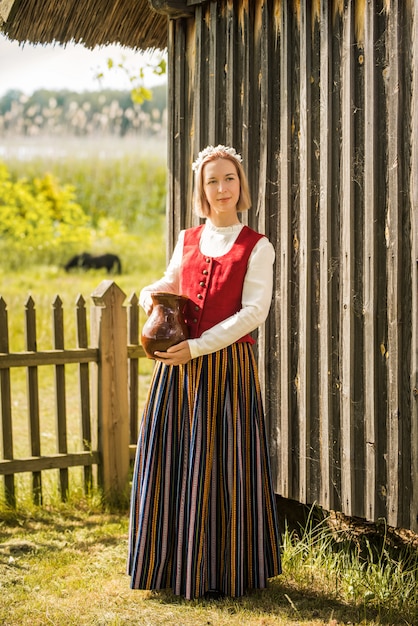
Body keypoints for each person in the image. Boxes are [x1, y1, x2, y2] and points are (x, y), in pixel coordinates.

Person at [127, 145, 281, 600]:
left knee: (222, 464)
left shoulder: (258, 246)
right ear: (201, 189)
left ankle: (223, 569)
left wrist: (195, 347)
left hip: (224, 369)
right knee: (174, 458)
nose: (221, 189)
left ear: (241, 184)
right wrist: (148, 294)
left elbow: (253, 313)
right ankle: (170, 564)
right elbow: (170, 282)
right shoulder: (187, 238)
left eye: (229, 178)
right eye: (212, 181)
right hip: (177, 372)